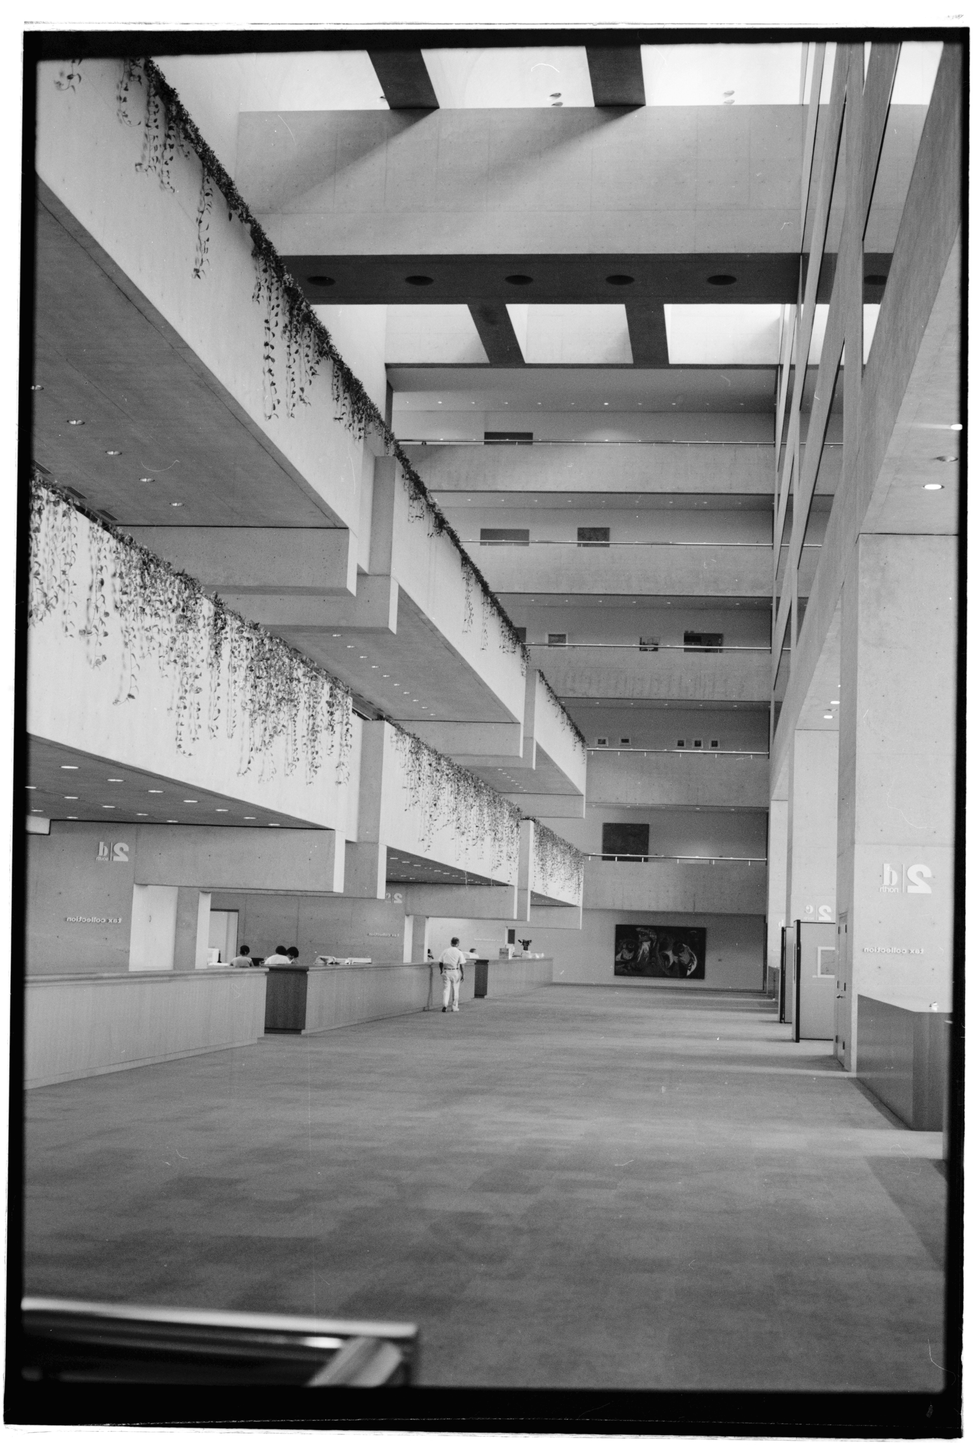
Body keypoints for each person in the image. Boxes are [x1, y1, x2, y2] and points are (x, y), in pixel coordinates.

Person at [438, 938, 467, 1013]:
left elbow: (440, 962)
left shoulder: (445, 951)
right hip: (455, 971)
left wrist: (441, 970)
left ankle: (444, 1005)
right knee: (455, 989)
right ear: (458, 944)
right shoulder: (459, 952)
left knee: (446, 989)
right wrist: (463, 974)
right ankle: (454, 1007)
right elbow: (462, 964)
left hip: (446, 971)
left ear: (451, 943)